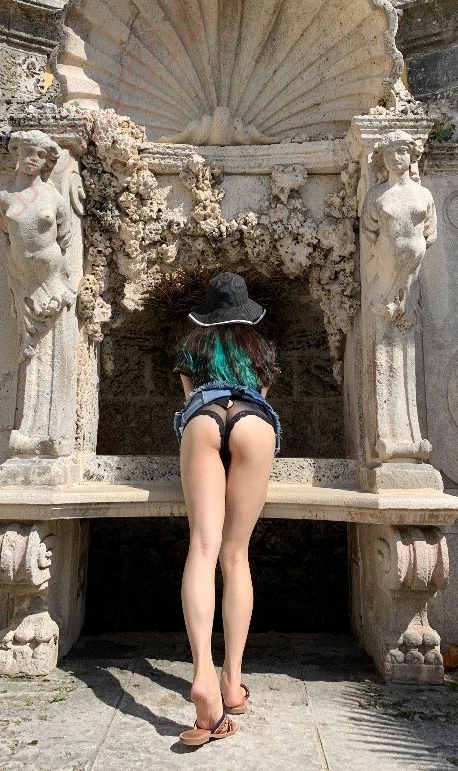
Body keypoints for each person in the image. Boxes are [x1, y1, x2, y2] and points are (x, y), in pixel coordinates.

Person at [173, 272, 282, 747]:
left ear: (208, 315)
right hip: (252, 422)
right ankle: (232, 684)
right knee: (235, 555)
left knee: (202, 547)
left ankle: (202, 673)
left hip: (203, 418)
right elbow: (263, 393)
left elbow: (187, 396)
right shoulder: (261, 349)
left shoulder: (192, 347)